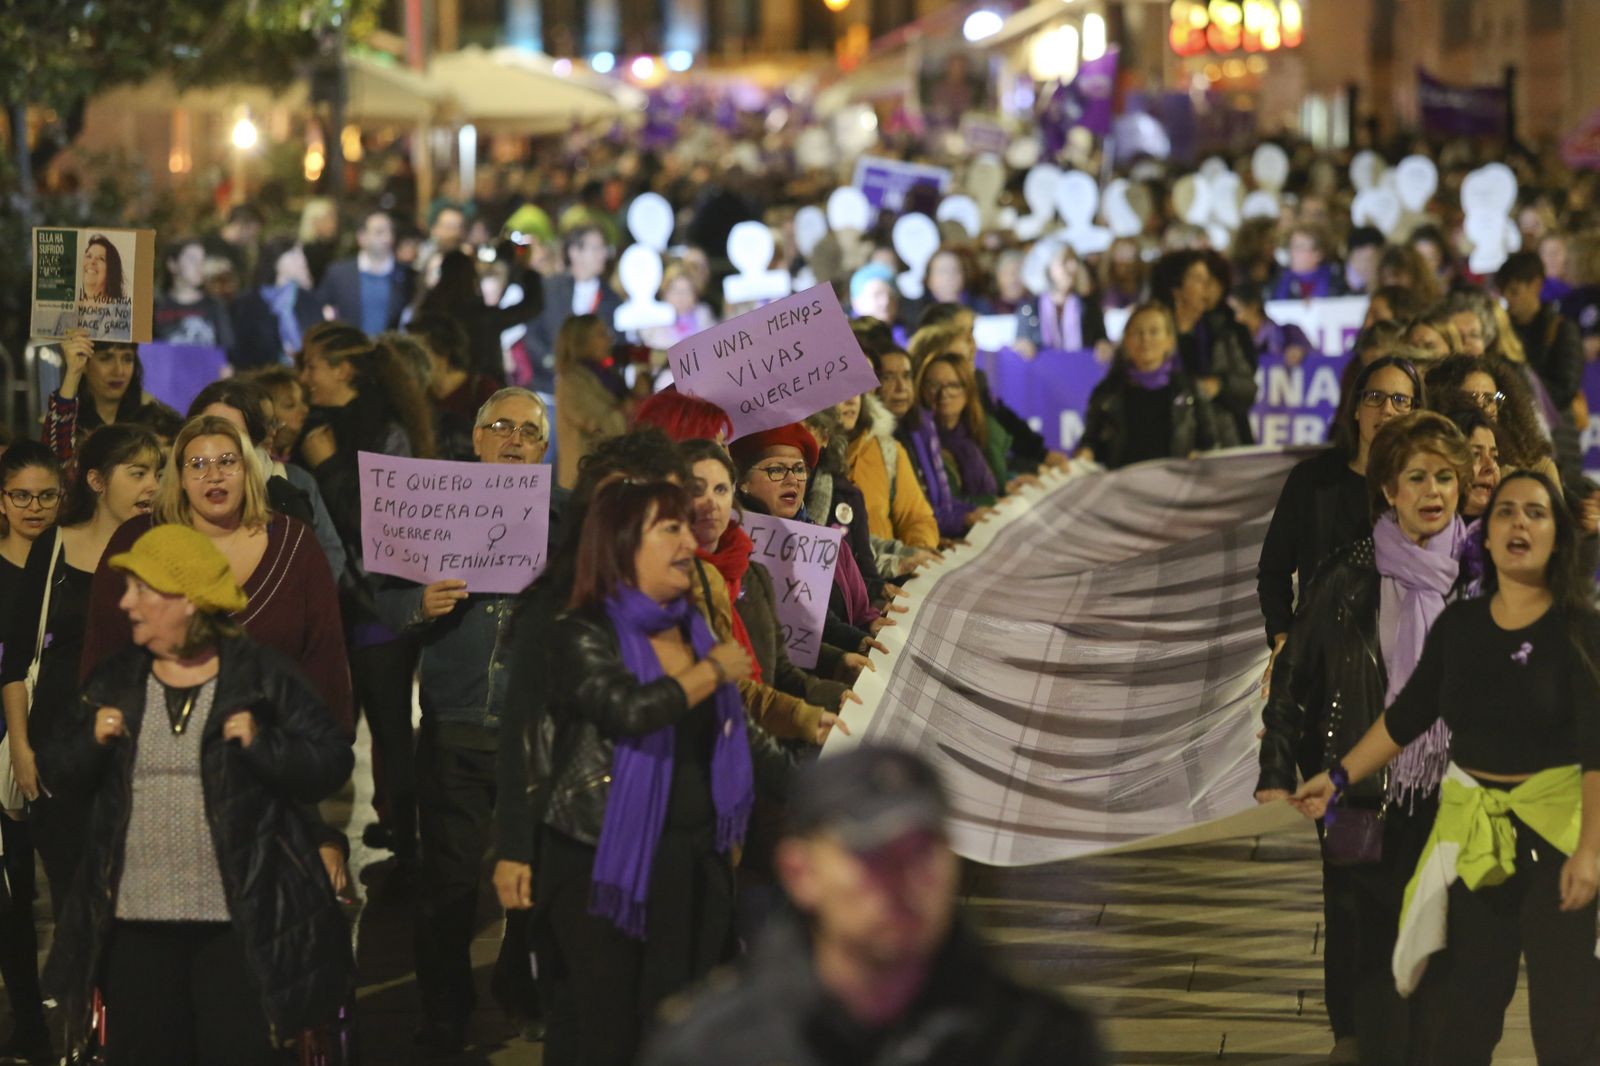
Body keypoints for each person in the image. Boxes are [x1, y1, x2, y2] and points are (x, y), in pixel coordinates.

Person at [1291, 470, 1600, 1065]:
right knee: (1461, 1017)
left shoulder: (1580, 631)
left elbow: (1597, 749)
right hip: (1473, 833)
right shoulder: (1460, 627)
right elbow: (1406, 716)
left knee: (1568, 1024)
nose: (1519, 522)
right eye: (1506, 511)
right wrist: (1338, 776)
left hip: (1558, 840)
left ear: (1558, 538)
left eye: (1536, 512)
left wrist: (1589, 852)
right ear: (1487, 537)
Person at [40, 524, 353, 1065]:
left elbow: (329, 761)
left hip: (236, 921)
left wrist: (265, 745)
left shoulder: (258, 676)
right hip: (135, 925)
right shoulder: (117, 680)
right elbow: (57, 775)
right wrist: (89, 742)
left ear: (187, 600)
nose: (126, 602)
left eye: (142, 589)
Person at [534, 478, 788, 1066]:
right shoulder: (580, 631)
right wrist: (709, 673)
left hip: (695, 863)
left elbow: (742, 736)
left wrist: (822, 792)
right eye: (670, 529)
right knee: (611, 1037)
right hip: (607, 861)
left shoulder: (691, 625)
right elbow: (626, 709)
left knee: (685, 1028)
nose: (689, 542)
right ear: (623, 543)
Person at [640, 745, 1106, 1066]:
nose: (904, 880)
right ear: (801, 873)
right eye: (871, 854)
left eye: (923, 851)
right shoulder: (714, 1051)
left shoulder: (1038, 1041)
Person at [1260, 411, 1475, 1066]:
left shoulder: (1484, 578)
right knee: (1365, 937)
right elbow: (1293, 677)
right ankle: (1359, 1042)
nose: (1433, 491)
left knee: (1447, 950)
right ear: (1389, 490)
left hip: (1454, 798)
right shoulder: (1346, 575)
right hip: (1359, 792)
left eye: (1445, 477)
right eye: (1418, 477)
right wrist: (1277, 767)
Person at [372, 387, 552, 1054]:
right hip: (455, 725)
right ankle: (444, 1013)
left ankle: (520, 987)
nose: (514, 439)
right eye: (501, 426)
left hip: (535, 733)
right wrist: (419, 605)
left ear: (543, 447)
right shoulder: (431, 510)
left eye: (528, 431)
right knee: (448, 884)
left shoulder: (564, 517)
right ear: (476, 439)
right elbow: (382, 604)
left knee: (535, 875)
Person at [295, 324, 435, 878]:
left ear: (343, 370)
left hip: (378, 605)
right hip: (329, 605)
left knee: (391, 728)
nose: (305, 377)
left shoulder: (385, 432)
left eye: (312, 365)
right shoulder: (315, 428)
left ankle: (409, 845)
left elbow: (381, 526)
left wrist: (329, 465)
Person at [1257, 355, 1425, 665]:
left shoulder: (1424, 488)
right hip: (1320, 658)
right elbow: (1273, 570)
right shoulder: (1311, 480)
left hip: (1398, 660)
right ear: (1356, 408)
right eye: (1375, 397)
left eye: (1400, 400)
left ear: (1415, 414)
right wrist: (1282, 636)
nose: (1387, 410)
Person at [0, 442, 62, 1065]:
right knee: (13, 894)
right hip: (3, 750)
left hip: (61, 744)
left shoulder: (70, 563)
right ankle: (29, 1020)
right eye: (21, 495)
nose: (34, 507)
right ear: (1, 500)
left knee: (70, 886)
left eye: (46, 495)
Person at [1077, 302, 1234, 469]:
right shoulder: (1106, 393)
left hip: (1177, 482)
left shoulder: (1190, 390)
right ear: (1126, 341)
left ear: (1169, 341)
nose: (1145, 339)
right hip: (1124, 483)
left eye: (1154, 332)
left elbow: (1210, 444)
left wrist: (1199, 458)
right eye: (1138, 332)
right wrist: (1085, 454)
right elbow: (1090, 442)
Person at [1151, 251, 1257, 445]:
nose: (1207, 287)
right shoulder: (1153, 334)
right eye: (1198, 279)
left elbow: (1249, 389)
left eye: (1208, 279)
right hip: (1172, 445)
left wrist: (1220, 385)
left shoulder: (1223, 331)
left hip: (1227, 443)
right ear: (1176, 288)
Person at [838, 391, 941, 578]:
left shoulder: (887, 451)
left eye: (857, 390)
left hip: (891, 577)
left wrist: (918, 553)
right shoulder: (799, 461)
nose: (851, 399)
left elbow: (916, 517)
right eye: (840, 389)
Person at [523, 224, 620, 393]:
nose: (603, 254)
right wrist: (555, 366)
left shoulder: (612, 300)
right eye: (596, 248)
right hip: (549, 390)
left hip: (594, 393)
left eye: (604, 248)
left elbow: (616, 345)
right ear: (574, 252)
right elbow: (531, 335)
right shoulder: (548, 289)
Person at [43, 334, 170, 464]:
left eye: (127, 359)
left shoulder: (153, 421)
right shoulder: (66, 422)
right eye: (106, 359)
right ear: (84, 363)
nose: (119, 371)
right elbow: (53, 464)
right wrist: (72, 374)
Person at [1498, 251, 1584, 433]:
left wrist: (1520, 391)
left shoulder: (1560, 329)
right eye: (1503, 291)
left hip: (1558, 432)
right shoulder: (1501, 331)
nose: (1507, 298)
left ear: (1536, 285)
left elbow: (1566, 388)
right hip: (1517, 430)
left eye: (1514, 291)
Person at [413, 249, 529, 383]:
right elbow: (532, 307)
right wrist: (526, 268)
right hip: (482, 387)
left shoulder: (429, 310)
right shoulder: (483, 315)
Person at [407, 310, 504, 461]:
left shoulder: (483, 391)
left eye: (417, 353)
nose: (409, 361)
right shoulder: (417, 395)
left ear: (442, 353)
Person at [915, 353, 1008, 508]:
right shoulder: (918, 440)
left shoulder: (978, 430)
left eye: (953, 385)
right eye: (934, 385)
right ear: (921, 389)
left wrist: (1012, 481)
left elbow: (999, 476)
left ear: (968, 390)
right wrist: (990, 502)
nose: (944, 393)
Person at [554, 314, 631, 490]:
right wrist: (629, 407)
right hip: (584, 482)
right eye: (601, 334)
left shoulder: (609, 376)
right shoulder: (571, 382)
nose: (609, 339)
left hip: (611, 476)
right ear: (581, 341)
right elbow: (603, 426)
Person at [315, 209, 415, 335]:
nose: (387, 237)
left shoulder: (407, 275)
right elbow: (319, 310)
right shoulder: (339, 274)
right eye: (379, 232)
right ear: (362, 238)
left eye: (390, 231)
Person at [229, 234, 321, 371]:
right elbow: (241, 352)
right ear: (277, 261)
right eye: (294, 254)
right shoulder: (247, 304)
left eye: (301, 254)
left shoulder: (308, 300)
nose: (302, 260)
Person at [1013, 243, 1109, 360]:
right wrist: (1023, 348)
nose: (1073, 267)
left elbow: (1101, 341)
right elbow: (1021, 346)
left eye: (1074, 260)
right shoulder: (1029, 309)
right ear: (1047, 268)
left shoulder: (1089, 307)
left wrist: (1103, 346)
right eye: (1065, 261)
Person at [152, 236, 236, 355]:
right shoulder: (155, 307)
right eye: (192, 260)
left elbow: (227, 351)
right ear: (172, 264)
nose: (199, 267)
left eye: (202, 260)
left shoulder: (214, 306)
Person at [641, 261, 717, 350]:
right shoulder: (653, 322)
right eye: (675, 290)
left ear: (695, 294)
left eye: (687, 291)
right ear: (664, 293)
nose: (681, 297)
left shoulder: (704, 315)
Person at [77, 233, 128, 304]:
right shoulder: (70, 305)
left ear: (111, 270)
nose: (92, 261)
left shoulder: (118, 308)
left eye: (101, 258)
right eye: (89, 256)